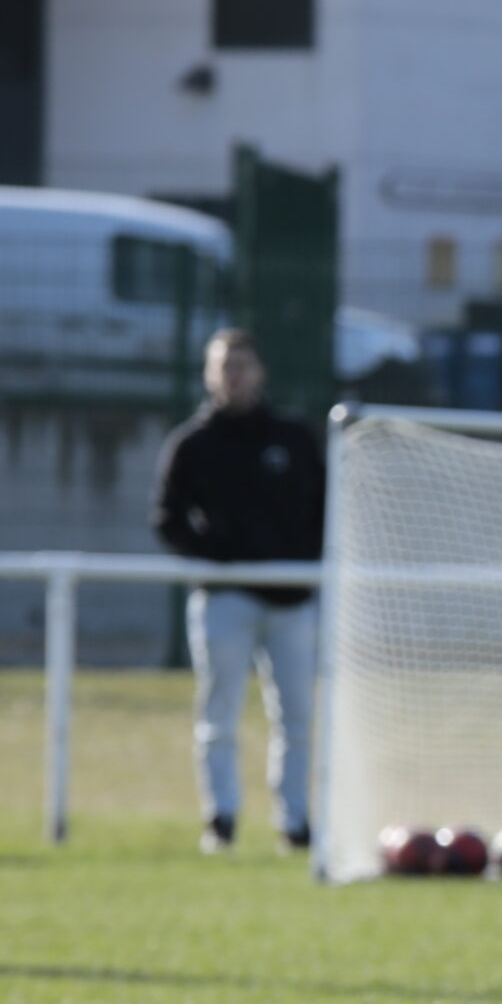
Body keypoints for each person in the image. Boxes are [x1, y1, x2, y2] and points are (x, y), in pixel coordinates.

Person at [150, 328, 327, 854]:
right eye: (224, 366)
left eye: (243, 365)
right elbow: (166, 518)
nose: (234, 376)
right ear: (209, 374)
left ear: (261, 372)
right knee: (219, 712)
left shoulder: (293, 438)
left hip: (292, 598)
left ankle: (295, 823)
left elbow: (326, 506)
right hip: (226, 598)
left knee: (296, 715)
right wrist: (218, 555)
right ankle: (221, 819)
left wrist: (303, 561)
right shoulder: (193, 443)